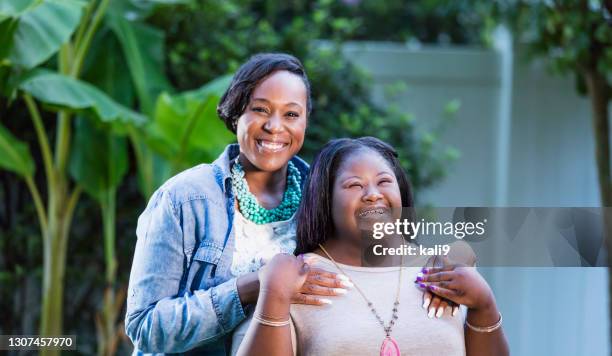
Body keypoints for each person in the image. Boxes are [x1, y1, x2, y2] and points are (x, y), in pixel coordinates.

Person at [124, 53, 351, 355]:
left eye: (291, 115)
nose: (274, 126)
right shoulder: (184, 199)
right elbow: (146, 329)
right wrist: (252, 287)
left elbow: (375, 278)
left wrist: (432, 280)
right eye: (260, 109)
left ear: (305, 121)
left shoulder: (324, 199)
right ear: (236, 114)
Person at [236, 137, 510, 356]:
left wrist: (484, 305)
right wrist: (274, 296)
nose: (373, 195)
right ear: (325, 200)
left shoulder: (443, 269)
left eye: (384, 182)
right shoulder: (295, 279)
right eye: (354, 185)